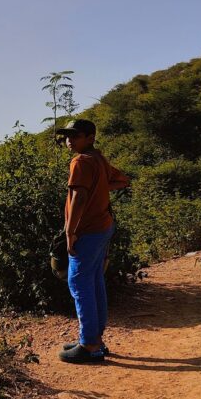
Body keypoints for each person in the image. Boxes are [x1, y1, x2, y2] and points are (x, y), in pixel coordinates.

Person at [56, 118, 131, 364]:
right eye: (67, 136)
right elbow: (122, 180)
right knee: (94, 280)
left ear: (90, 137)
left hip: (87, 231)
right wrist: (100, 188)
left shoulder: (80, 161)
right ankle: (94, 338)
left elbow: (78, 196)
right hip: (103, 227)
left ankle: (89, 345)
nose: (69, 140)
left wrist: (70, 231)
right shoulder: (98, 158)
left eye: (75, 136)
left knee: (78, 282)